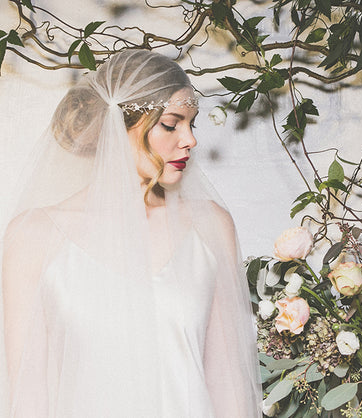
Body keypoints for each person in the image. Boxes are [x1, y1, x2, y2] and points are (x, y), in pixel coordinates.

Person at [0, 49, 261, 417]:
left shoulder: (211, 225)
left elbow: (227, 384)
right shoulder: (34, 235)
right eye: (171, 124)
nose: (190, 140)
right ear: (117, 123)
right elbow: (28, 397)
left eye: (192, 124)